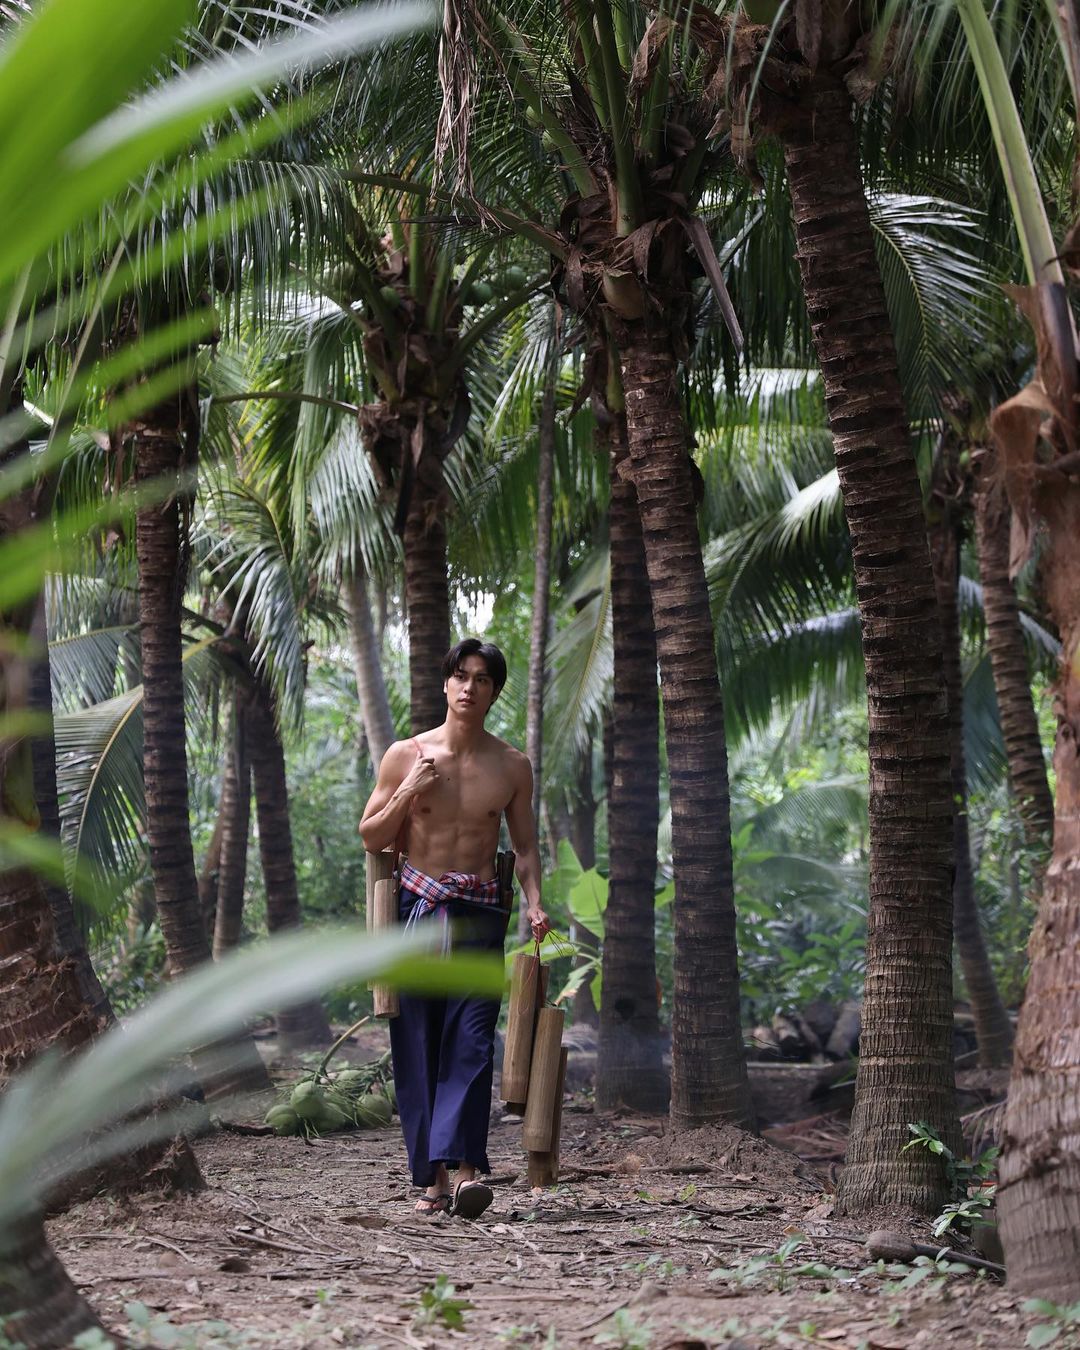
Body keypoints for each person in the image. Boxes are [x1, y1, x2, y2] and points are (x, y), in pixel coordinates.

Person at [360, 637, 550, 1219]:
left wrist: (536, 903)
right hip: (417, 914)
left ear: (494, 691)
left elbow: (522, 848)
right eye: (461, 676)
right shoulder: (406, 754)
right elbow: (371, 834)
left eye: (482, 679)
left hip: (479, 915)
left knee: (470, 1041)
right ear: (446, 683)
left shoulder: (512, 766)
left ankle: (469, 1173)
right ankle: (433, 1181)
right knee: (418, 1045)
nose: (470, 687)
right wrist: (411, 791)